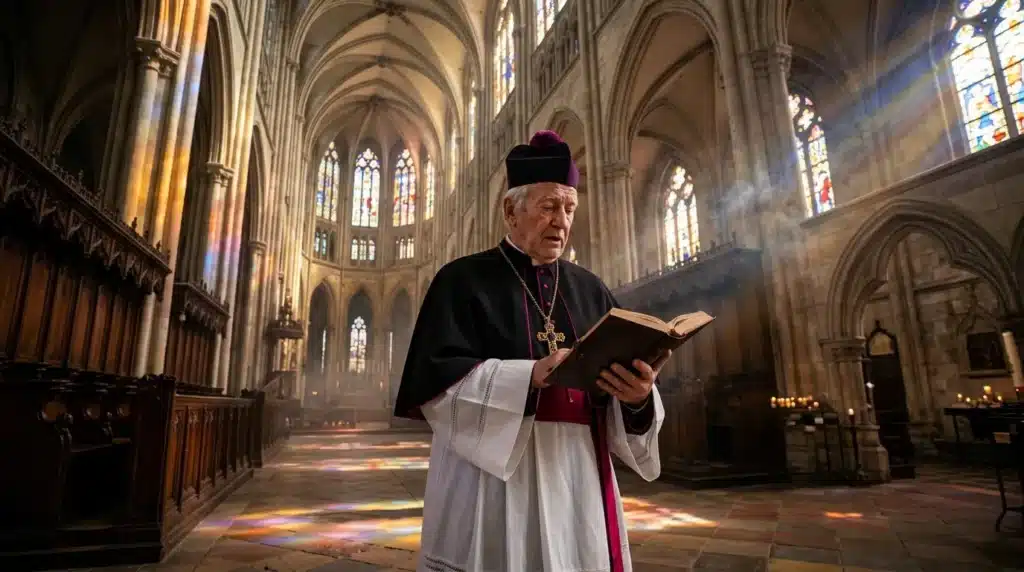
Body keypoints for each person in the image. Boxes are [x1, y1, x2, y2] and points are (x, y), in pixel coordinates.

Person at [393, 130, 670, 572]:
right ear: (510, 211)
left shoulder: (591, 289)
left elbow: (618, 400)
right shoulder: (461, 281)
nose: (562, 221)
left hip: (577, 474)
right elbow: (436, 386)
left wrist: (637, 397)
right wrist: (529, 376)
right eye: (548, 207)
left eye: (569, 208)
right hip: (492, 482)